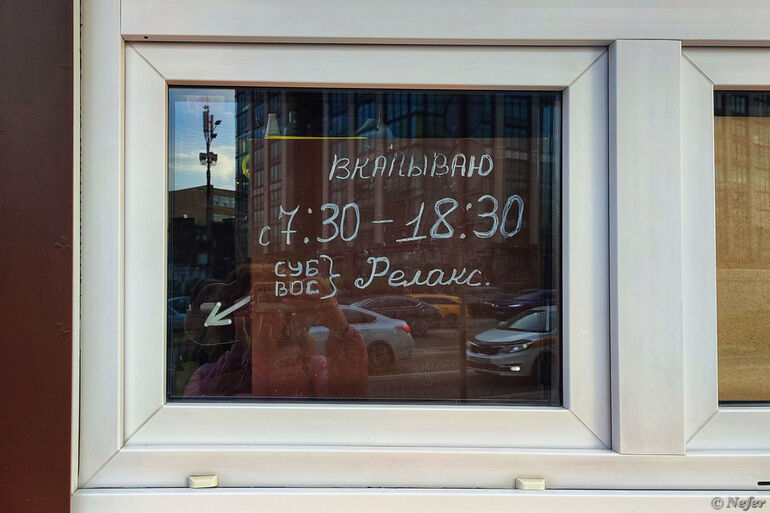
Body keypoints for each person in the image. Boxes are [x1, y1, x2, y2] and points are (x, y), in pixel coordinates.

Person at [183, 263, 368, 398]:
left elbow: (352, 406)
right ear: (236, 313)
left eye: (273, 300)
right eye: (252, 304)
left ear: (289, 312)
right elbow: (196, 418)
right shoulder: (206, 374)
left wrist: (338, 325)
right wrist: (237, 354)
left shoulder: (315, 368)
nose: (265, 313)